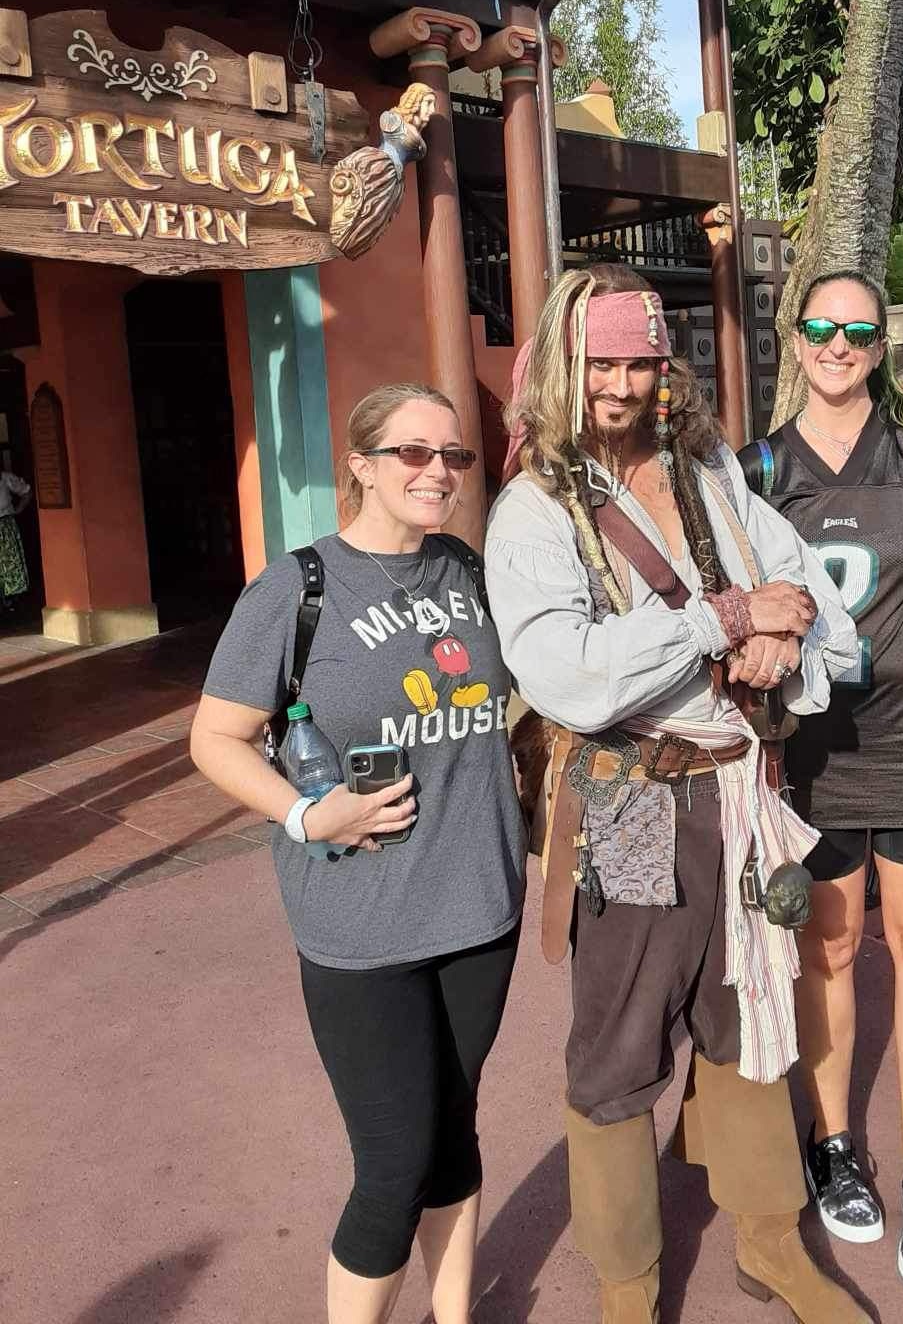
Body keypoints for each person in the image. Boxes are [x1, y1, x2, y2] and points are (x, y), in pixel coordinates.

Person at [485, 265, 866, 1324]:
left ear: (667, 370)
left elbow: (821, 609)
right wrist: (723, 619)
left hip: (742, 788)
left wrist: (785, 634)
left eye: (640, 361)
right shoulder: (532, 510)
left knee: (750, 1012)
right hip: (629, 797)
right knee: (618, 1044)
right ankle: (626, 1280)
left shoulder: (712, 478)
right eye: (599, 362)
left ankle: (770, 1244)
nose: (619, 383)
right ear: (564, 370)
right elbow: (565, 672)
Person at [191, 383, 526, 1324]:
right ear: (361, 464)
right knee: (391, 1165)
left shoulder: (467, 570)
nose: (438, 473)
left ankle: (453, 1315)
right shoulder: (295, 589)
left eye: (454, 457)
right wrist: (308, 816)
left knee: (454, 1134)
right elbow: (215, 739)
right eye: (414, 453)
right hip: (358, 925)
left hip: (478, 909)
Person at [739, 269, 903, 1291]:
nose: (838, 344)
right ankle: (835, 1142)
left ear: (882, 345)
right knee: (832, 947)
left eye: (858, 330)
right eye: (821, 326)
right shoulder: (757, 467)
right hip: (815, 746)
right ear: (794, 339)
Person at [0, 467, 31, 616]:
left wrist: (18, 510)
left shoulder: (6, 478)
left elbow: (26, 492)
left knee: (9, 563)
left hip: (5, 525)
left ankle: (11, 599)